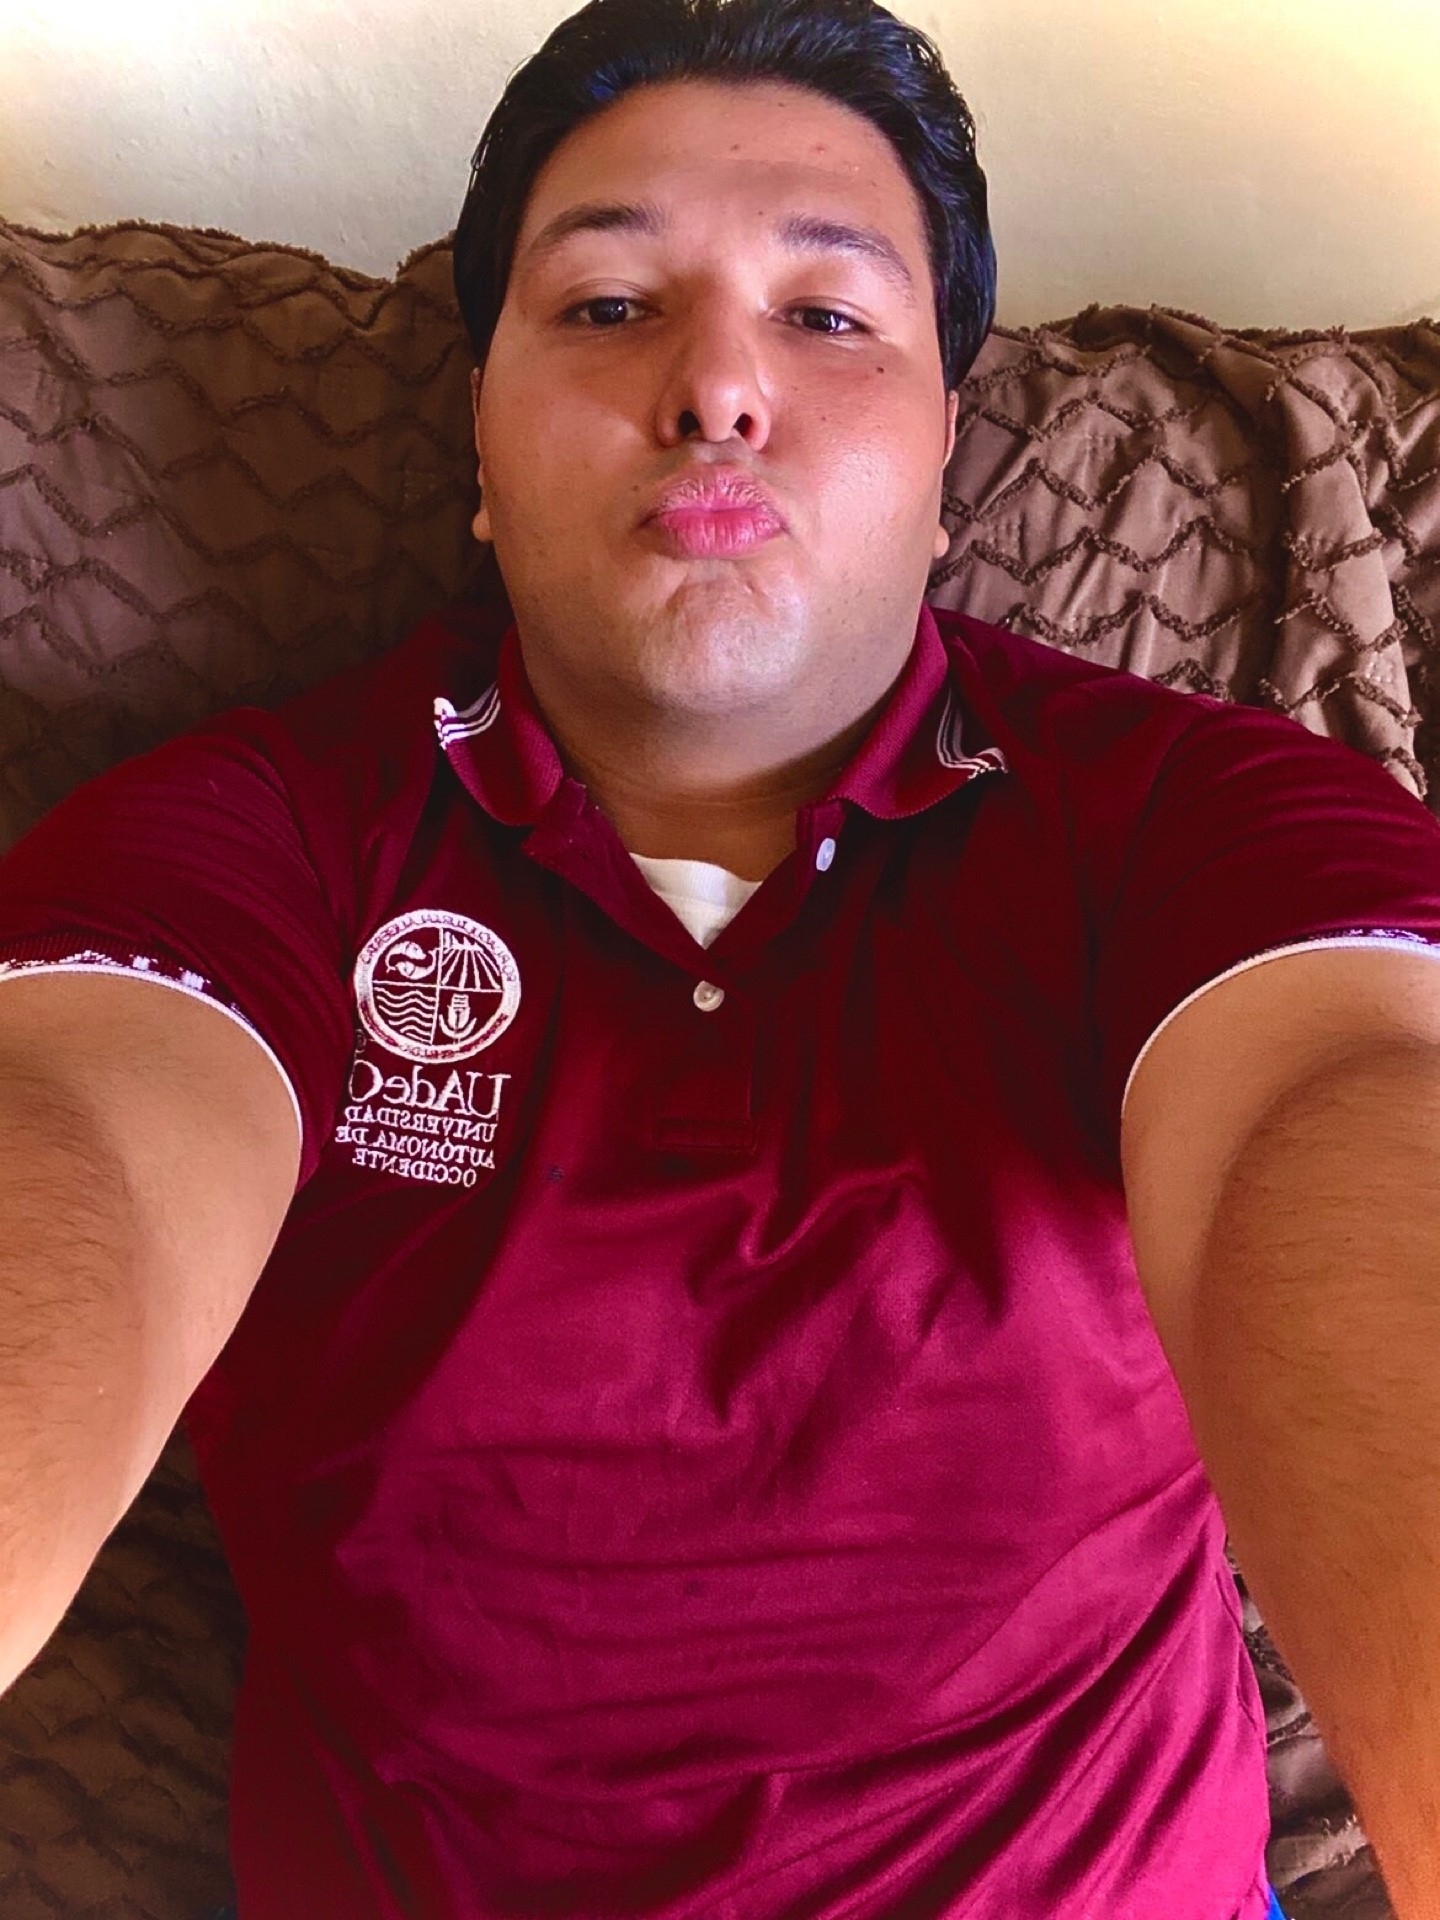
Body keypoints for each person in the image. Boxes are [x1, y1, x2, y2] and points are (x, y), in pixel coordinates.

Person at [2, 0, 1440, 1914]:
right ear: (483, 441)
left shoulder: (1191, 822)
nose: (719, 388)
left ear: (946, 453)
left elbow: (1347, 1106)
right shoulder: (252, 839)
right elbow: (76, 1131)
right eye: (608, 306)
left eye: (827, 315)